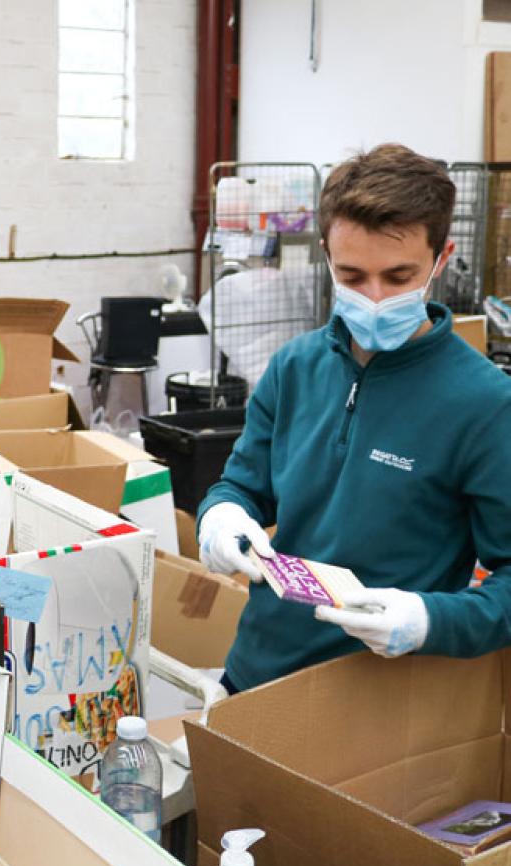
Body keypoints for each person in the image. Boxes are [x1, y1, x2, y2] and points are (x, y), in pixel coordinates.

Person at [197, 143, 511, 693]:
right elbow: (243, 486)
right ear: (325, 254)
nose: (374, 298)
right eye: (353, 274)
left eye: (398, 276)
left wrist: (430, 620)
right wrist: (221, 516)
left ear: (441, 258)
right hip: (255, 673)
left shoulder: (485, 404)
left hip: (374, 701)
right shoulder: (294, 368)